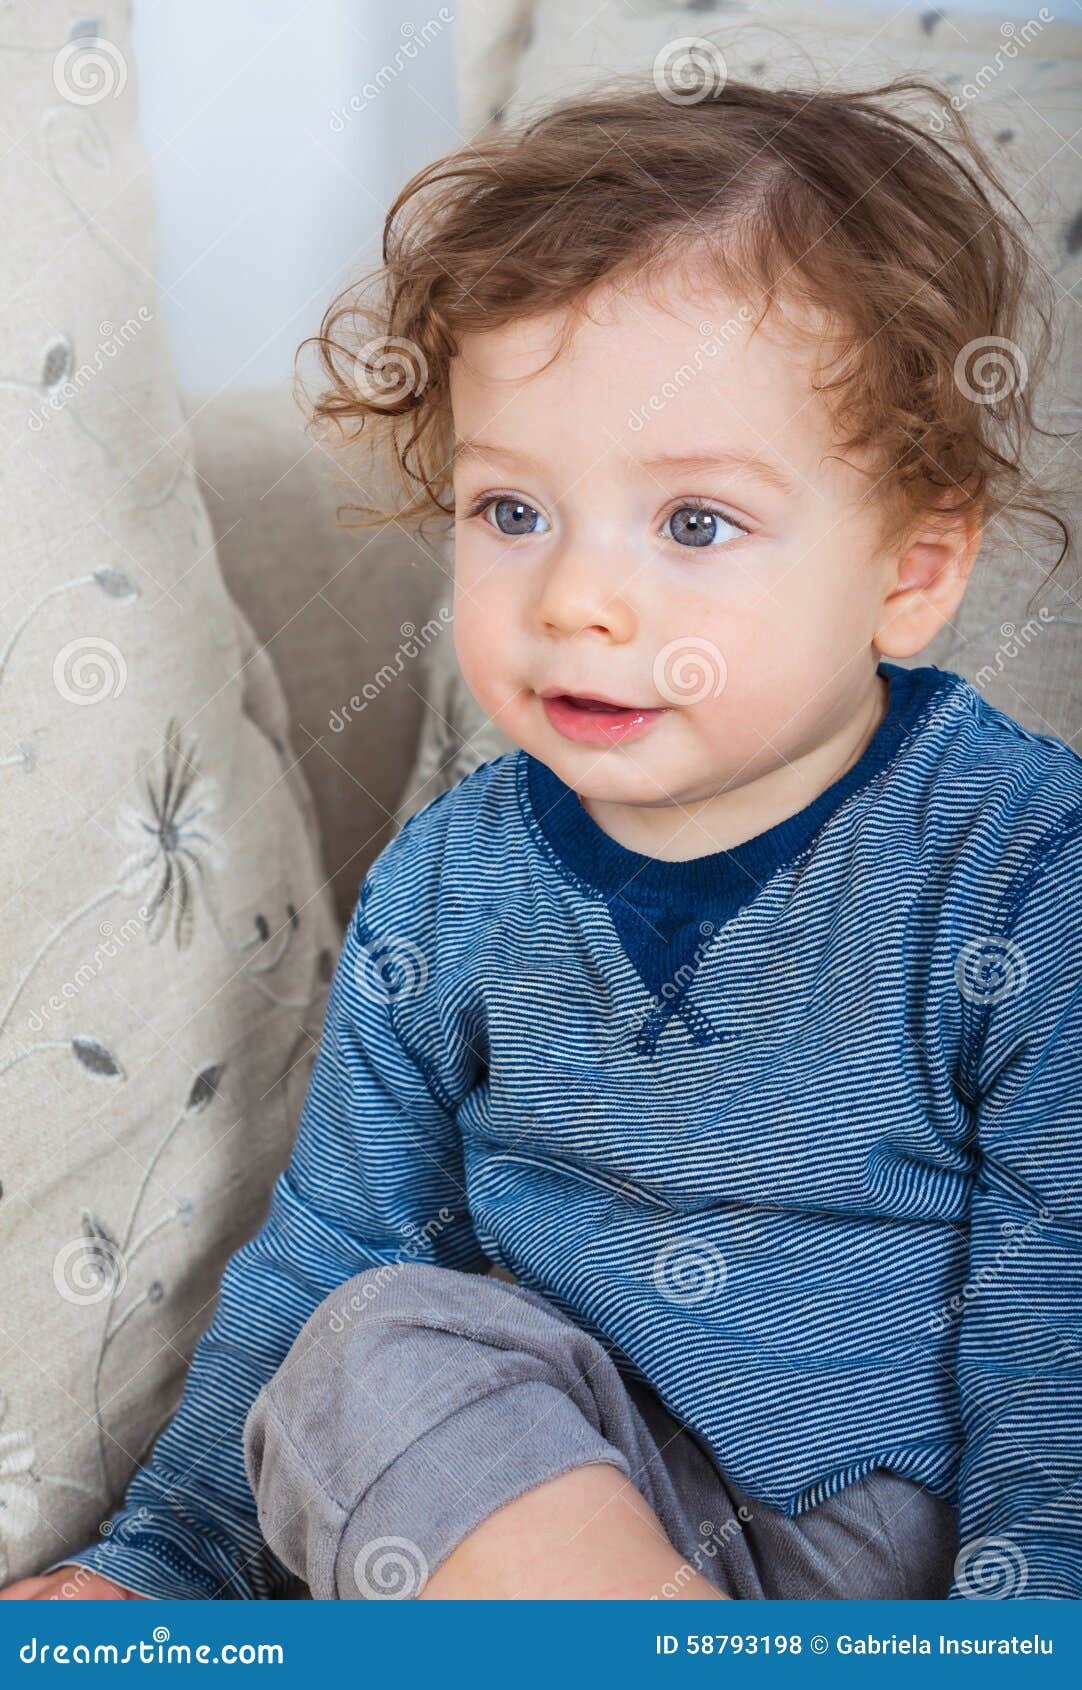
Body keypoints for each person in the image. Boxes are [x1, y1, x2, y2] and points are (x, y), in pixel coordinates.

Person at [6, 67, 1079, 1603]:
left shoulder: (1022, 863)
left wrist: (1027, 1620)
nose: (577, 598)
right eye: (512, 513)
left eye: (693, 524)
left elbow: (1057, 1298)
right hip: (552, 1524)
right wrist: (157, 1561)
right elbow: (326, 1246)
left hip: (905, 1550)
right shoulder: (451, 884)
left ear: (910, 571)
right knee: (366, 1340)